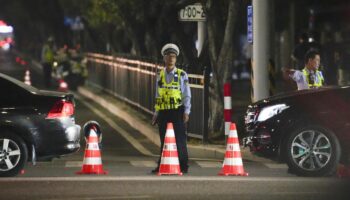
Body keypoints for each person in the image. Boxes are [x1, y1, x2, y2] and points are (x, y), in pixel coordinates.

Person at [151, 43, 191, 174]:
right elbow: (158, 94)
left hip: (177, 111)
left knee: (180, 139)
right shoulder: (159, 75)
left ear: (176, 59)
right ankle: (162, 165)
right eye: (169, 56)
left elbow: (186, 95)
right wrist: (156, 113)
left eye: (173, 56)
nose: (171, 59)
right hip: (163, 111)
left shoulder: (182, 75)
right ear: (164, 58)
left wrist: (186, 111)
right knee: (164, 139)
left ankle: (183, 165)